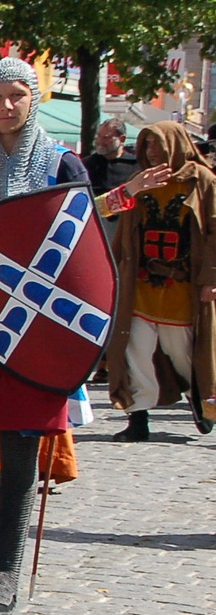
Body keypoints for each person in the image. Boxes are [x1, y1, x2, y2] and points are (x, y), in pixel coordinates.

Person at [0, 57, 164, 615]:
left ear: (32, 99)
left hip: (35, 322)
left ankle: (4, 570)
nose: (7, 106)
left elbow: (80, 237)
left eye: (17, 95)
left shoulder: (61, 162)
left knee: (20, 445)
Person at [106, 121, 216, 440]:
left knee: (183, 352)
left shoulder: (202, 180)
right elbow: (111, 216)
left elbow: (214, 230)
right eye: (147, 144)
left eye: (157, 144)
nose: (152, 151)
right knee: (134, 351)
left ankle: (199, 397)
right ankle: (138, 418)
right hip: (140, 284)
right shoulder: (139, 181)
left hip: (182, 287)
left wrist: (210, 278)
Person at [85, 117, 137, 195]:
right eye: (98, 136)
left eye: (106, 137)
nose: (100, 141)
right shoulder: (86, 165)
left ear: (122, 139)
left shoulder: (135, 166)